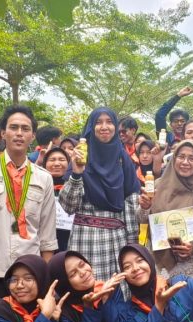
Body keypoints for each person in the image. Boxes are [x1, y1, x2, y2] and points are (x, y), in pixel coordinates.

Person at [0, 105, 58, 322]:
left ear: (32, 135)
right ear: (3, 133)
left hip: (28, 272)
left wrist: (45, 279)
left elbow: (47, 235)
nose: (19, 133)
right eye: (13, 128)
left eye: (25, 129)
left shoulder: (43, 178)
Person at [59, 107, 141, 282]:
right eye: (98, 122)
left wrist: (132, 246)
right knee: (86, 289)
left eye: (109, 122)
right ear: (91, 127)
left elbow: (131, 203)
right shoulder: (81, 157)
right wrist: (76, 173)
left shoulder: (122, 158)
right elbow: (68, 206)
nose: (104, 127)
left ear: (116, 127)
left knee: (116, 291)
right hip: (84, 240)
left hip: (116, 242)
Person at [138, 140, 193, 279]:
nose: (185, 162)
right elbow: (142, 221)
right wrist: (144, 207)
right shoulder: (157, 186)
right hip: (161, 268)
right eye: (181, 157)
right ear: (174, 158)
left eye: (192, 158)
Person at [43, 147, 72, 251]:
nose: (56, 164)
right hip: (44, 240)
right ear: (45, 164)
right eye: (52, 160)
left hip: (69, 240)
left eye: (62, 159)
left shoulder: (75, 186)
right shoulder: (39, 185)